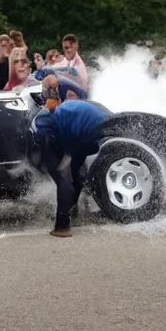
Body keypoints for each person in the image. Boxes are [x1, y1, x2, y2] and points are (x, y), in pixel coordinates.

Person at [32, 97, 113, 237]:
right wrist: (69, 156)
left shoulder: (104, 121)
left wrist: (69, 156)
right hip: (67, 133)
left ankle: (64, 222)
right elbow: (75, 131)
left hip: (73, 134)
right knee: (69, 175)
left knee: (69, 176)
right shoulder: (93, 118)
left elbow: (77, 137)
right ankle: (66, 219)